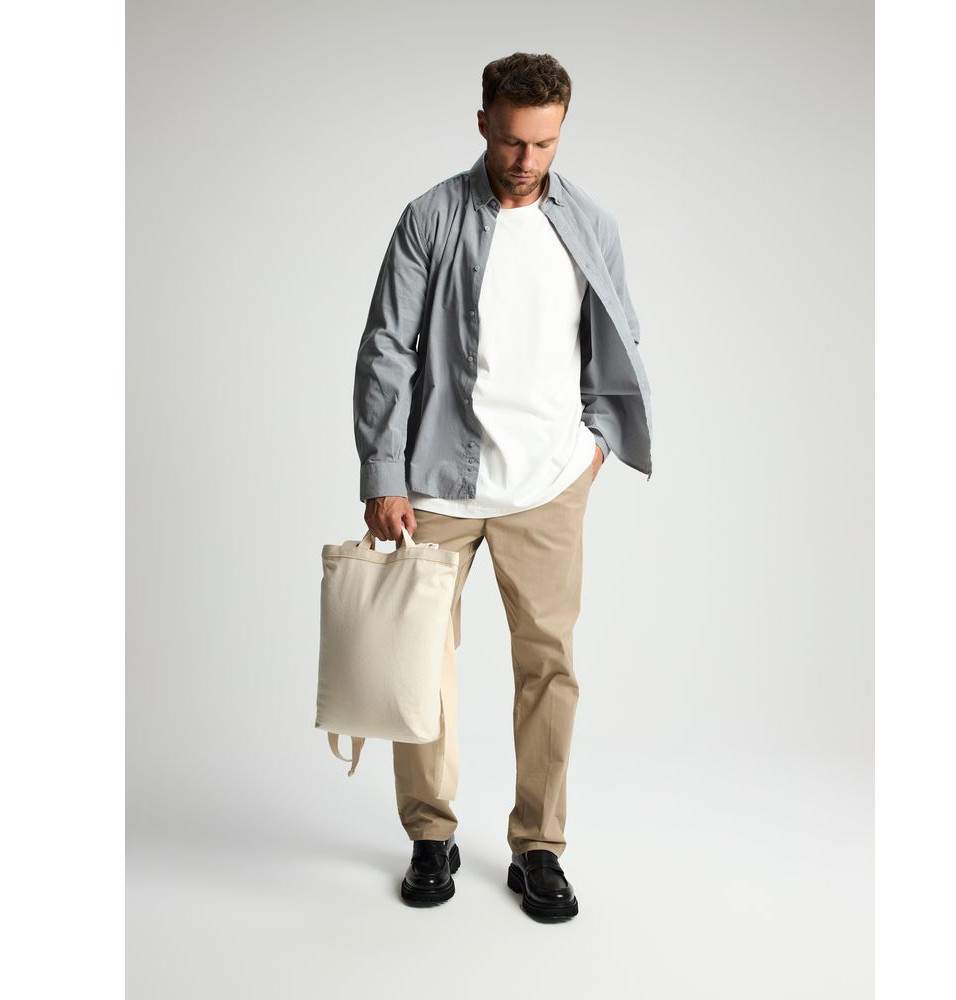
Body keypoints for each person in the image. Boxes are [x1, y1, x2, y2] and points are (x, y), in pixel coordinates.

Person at [352, 51, 652, 922]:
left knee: (549, 668)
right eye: (514, 140)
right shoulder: (430, 218)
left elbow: (617, 332)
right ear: (483, 122)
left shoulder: (590, 224)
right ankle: (430, 835)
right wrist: (383, 472)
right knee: (419, 666)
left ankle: (539, 847)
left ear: (561, 131)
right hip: (436, 485)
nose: (527, 160)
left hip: (549, 484)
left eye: (545, 143)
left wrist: (596, 443)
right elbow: (386, 348)